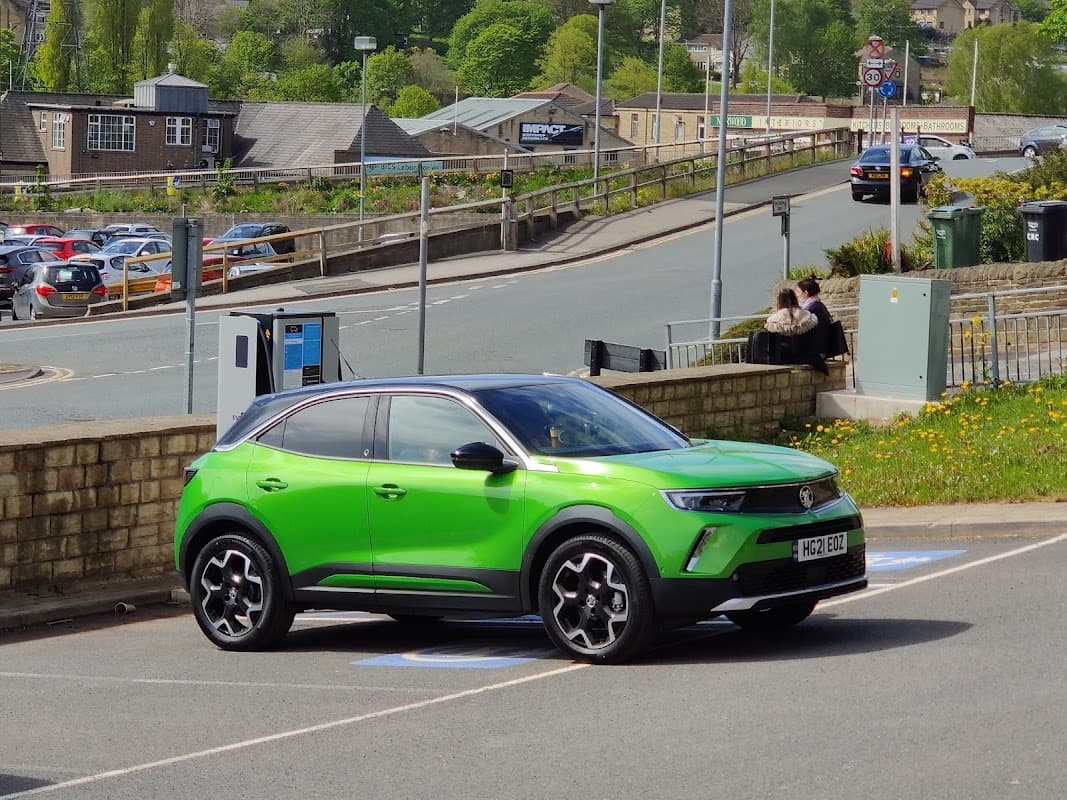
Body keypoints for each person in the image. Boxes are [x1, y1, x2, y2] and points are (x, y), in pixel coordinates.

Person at [795, 275, 834, 357]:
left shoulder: (811, 309)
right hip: (821, 349)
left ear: (805, 293)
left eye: (798, 292)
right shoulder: (818, 306)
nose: (796, 295)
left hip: (815, 352)